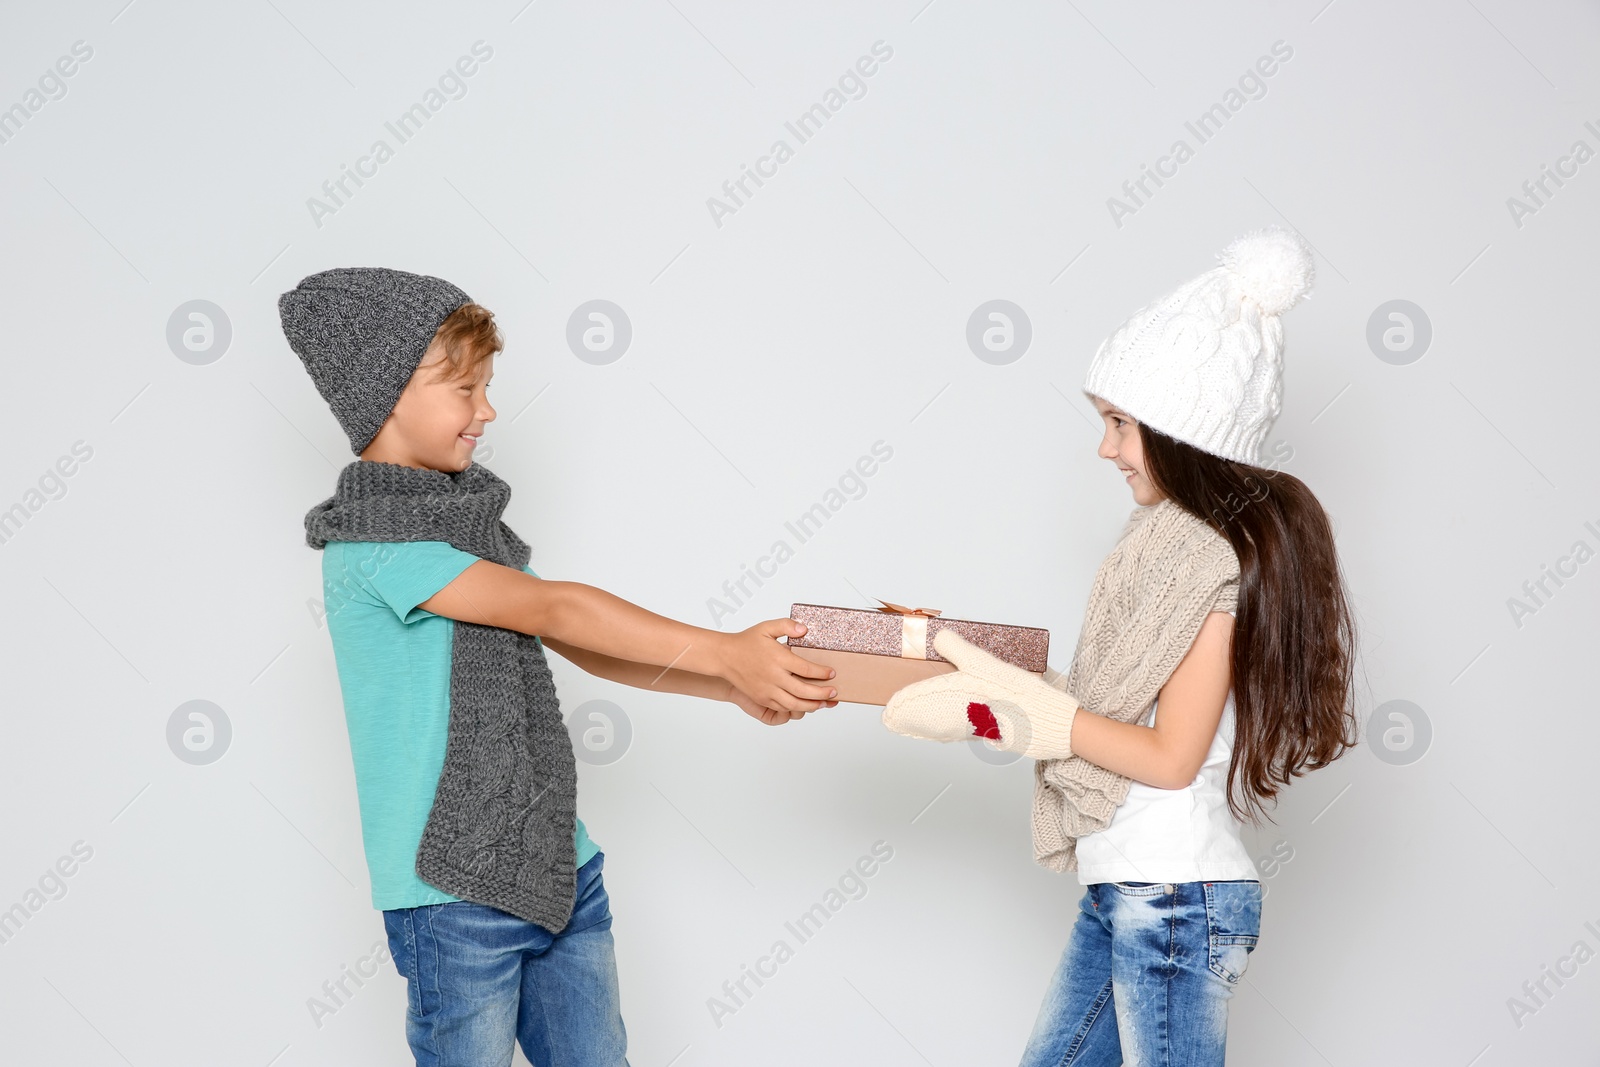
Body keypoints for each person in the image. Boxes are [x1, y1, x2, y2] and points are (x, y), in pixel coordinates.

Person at [279, 266, 838, 1067]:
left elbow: (583, 645)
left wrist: (729, 683)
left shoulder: (468, 531)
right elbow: (558, 610)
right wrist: (723, 650)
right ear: (389, 394)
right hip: (452, 891)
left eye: (487, 386)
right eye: (465, 389)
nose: (487, 410)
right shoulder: (377, 549)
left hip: (556, 865)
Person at [882, 227, 1360, 1065]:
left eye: (1119, 424)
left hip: (1172, 898)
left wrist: (1007, 712)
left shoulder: (1212, 563)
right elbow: (1096, 711)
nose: (1103, 447)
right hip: (1128, 889)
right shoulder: (1161, 547)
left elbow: (1169, 756)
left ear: (1181, 432)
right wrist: (958, 651)